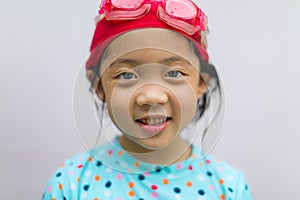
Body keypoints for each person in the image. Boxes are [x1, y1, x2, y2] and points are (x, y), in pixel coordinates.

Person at [43, 0, 253, 199]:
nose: (152, 97)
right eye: (126, 75)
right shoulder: (70, 186)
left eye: (174, 73)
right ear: (100, 86)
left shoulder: (229, 188)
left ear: (200, 84)